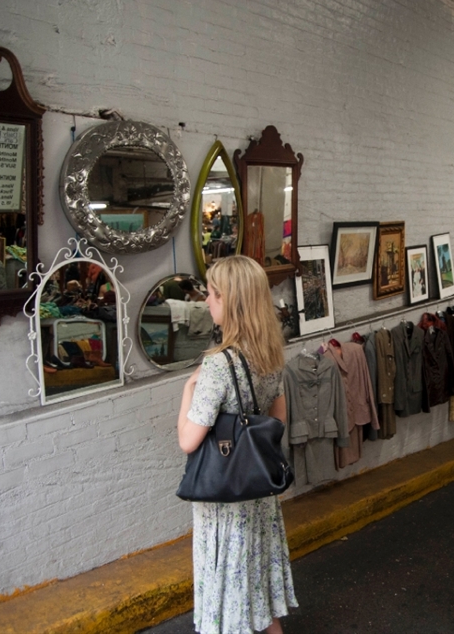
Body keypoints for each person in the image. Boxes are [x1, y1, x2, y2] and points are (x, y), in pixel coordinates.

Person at [176, 256, 297, 634]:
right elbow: (278, 420)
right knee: (258, 595)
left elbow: (188, 440)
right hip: (257, 489)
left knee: (227, 595)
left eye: (213, 294)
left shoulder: (217, 365)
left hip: (225, 498)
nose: (207, 302)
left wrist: (186, 391)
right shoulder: (270, 352)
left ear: (232, 300)